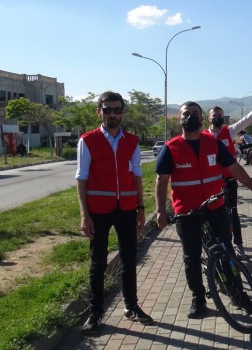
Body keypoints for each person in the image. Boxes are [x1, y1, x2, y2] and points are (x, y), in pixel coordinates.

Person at [155, 101, 252, 319]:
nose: (191, 117)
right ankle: (198, 299)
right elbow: (161, 181)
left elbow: (234, 168)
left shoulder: (213, 143)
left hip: (215, 208)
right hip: (187, 214)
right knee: (192, 257)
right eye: (186, 114)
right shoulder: (171, 148)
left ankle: (238, 295)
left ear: (202, 118)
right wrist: (161, 211)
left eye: (195, 114)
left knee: (228, 253)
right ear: (179, 119)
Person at [75, 91, 152, 334]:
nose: (112, 114)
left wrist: (141, 208)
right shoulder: (87, 140)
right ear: (99, 111)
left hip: (127, 209)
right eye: (107, 109)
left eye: (117, 110)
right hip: (98, 211)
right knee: (98, 263)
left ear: (123, 113)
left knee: (129, 260)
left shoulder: (132, 140)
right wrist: (84, 215)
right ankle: (96, 313)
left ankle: (131, 306)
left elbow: (137, 175)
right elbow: (82, 178)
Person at [202, 95, 252, 259]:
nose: (218, 118)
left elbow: (249, 118)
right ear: (209, 118)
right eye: (215, 115)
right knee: (212, 214)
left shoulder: (230, 131)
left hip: (230, 180)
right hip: (212, 182)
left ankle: (238, 244)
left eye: (221, 115)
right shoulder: (203, 136)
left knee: (233, 212)